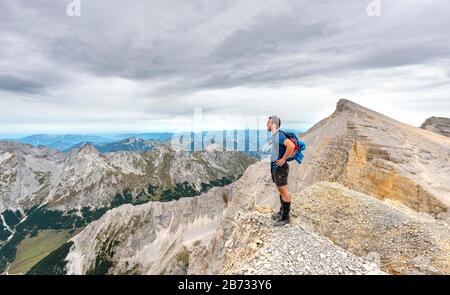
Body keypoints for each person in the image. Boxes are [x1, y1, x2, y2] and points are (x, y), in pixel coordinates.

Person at [267, 115, 296, 226]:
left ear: (273, 124)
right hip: (276, 168)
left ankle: (285, 218)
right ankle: (281, 212)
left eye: (268, 123)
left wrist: (283, 159)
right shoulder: (276, 135)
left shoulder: (279, 135)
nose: (267, 124)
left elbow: (291, 145)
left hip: (280, 168)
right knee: (281, 190)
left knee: (284, 191)